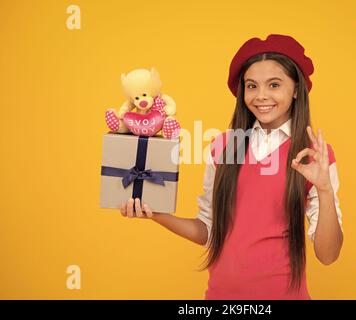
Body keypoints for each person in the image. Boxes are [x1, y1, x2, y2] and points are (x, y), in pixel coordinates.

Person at [119, 34, 344, 300]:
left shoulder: (313, 155)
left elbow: (328, 255)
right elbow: (208, 230)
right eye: (251, 86)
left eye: (274, 85)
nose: (261, 96)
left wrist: (325, 190)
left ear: (296, 89)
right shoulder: (224, 147)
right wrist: (156, 214)